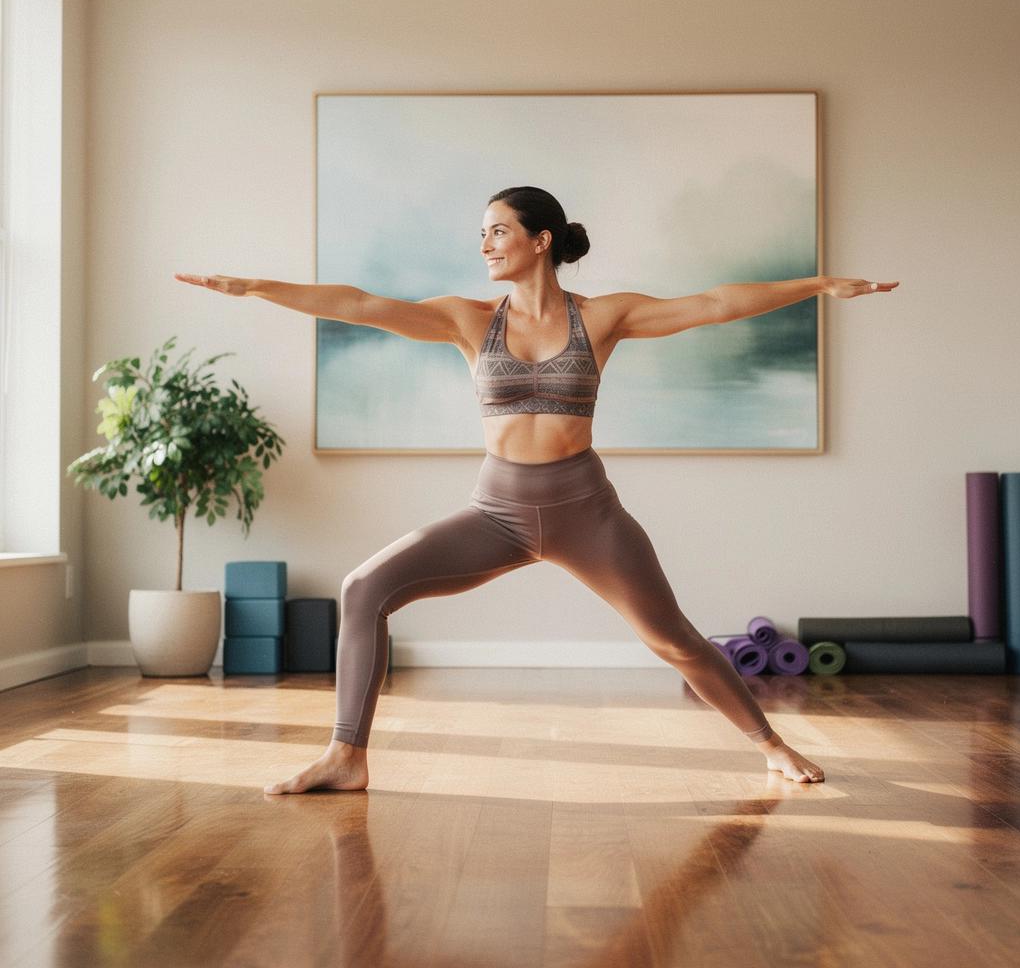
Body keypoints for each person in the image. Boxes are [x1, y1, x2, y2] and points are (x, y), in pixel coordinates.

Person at [176, 185, 898, 794]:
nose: (486, 245)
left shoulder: (601, 317)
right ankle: (346, 756)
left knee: (673, 640)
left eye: (498, 232)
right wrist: (255, 288)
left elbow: (713, 303)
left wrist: (818, 285)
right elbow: (359, 304)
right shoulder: (468, 321)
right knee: (364, 587)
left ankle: (769, 744)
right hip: (496, 512)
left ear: (540, 239)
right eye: (482, 234)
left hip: (587, 511)